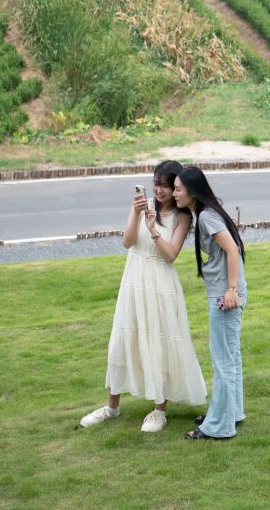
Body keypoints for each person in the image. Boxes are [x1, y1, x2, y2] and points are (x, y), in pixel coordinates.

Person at [79, 160, 207, 432]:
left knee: (160, 342)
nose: (158, 190)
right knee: (122, 338)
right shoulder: (142, 205)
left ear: (176, 187)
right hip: (134, 279)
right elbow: (127, 242)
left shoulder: (183, 216)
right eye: (155, 184)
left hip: (160, 282)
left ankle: (159, 410)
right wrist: (137, 215)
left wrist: (152, 229)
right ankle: (111, 406)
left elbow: (171, 255)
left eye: (165, 186)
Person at [173, 166, 248, 440]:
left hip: (224, 297)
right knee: (231, 358)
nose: (174, 194)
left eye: (178, 189)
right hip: (225, 293)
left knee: (223, 362)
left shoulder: (206, 217)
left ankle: (219, 427)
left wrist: (231, 290)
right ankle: (230, 414)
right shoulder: (207, 213)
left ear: (192, 192)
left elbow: (232, 249)